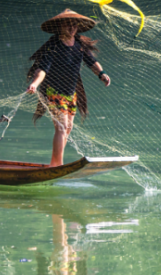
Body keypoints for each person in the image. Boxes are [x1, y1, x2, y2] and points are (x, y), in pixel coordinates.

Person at [26, 9, 111, 167]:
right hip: (53, 93)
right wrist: (35, 84)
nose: (72, 28)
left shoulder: (79, 44)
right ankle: (57, 165)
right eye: (68, 25)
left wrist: (102, 74)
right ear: (60, 26)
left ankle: (54, 163)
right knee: (62, 126)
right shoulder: (54, 45)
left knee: (68, 127)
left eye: (74, 25)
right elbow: (42, 69)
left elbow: (92, 62)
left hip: (71, 94)